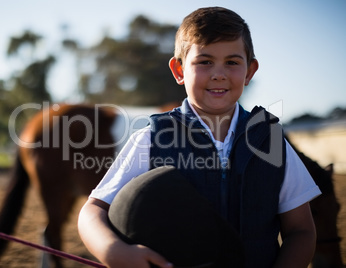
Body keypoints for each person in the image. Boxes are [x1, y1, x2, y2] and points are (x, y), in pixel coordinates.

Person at [78, 7, 321, 268]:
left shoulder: (270, 140)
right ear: (179, 70)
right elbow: (93, 211)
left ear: (250, 71)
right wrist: (114, 251)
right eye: (204, 61)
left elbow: (301, 231)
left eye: (232, 62)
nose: (219, 74)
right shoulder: (152, 139)